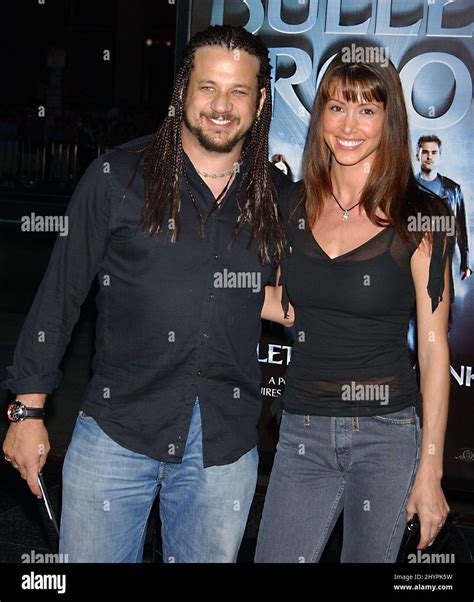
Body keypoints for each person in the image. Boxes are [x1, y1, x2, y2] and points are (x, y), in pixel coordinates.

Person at [1, 25, 292, 563]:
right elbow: (59, 297)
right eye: (208, 88)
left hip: (223, 450)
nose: (221, 106)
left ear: (261, 101)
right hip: (116, 435)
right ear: (182, 91)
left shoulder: (277, 199)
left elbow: (305, 294)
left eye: (238, 91)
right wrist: (27, 412)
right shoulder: (116, 178)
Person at [255, 52, 454, 563]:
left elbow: (433, 350)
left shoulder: (423, 218)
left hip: (387, 434)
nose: (349, 125)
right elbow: (291, 306)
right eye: (337, 107)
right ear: (319, 115)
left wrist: (430, 473)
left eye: (366, 110)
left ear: (388, 122)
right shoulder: (292, 205)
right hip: (302, 428)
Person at [416, 135, 471, 280]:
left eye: (434, 152)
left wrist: (466, 262)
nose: (429, 156)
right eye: (425, 152)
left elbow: (461, 228)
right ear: (418, 156)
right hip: (414, 258)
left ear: (440, 157)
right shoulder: (405, 188)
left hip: (443, 258)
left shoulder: (453, 189)